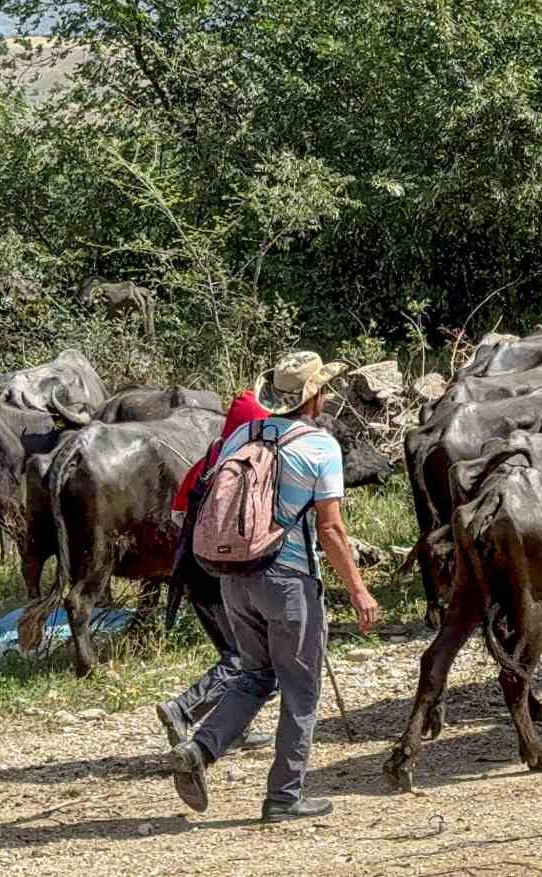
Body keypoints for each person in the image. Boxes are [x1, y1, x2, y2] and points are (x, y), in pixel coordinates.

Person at [168, 352, 381, 823]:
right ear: (316, 397)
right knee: (301, 689)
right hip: (287, 581)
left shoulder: (244, 435)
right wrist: (359, 590)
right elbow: (331, 530)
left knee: (255, 674)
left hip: (233, 578)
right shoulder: (321, 447)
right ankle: (284, 796)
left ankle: (200, 750)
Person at [154, 390, 274, 754]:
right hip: (223, 577)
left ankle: (235, 728)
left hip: (194, 571)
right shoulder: (251, 462)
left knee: (239, 653)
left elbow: (177, 513)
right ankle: (184, 709)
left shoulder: (210, 457)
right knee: (246, 659)